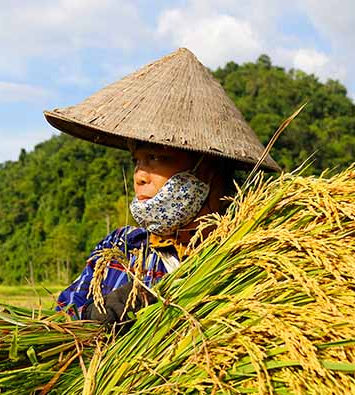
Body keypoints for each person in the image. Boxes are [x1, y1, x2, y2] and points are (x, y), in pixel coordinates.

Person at [44, 48, 280, 328]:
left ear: (207, 169)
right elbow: (62, 315)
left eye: (156, 158)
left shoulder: (246, 259)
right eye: (137, 161)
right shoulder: (122, 248)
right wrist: (93, 316)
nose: (140, 176)